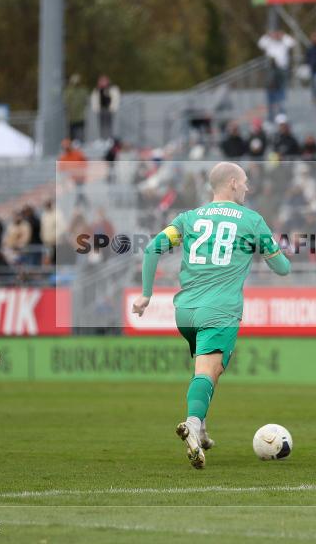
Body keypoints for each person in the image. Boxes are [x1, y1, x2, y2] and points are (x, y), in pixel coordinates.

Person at [132, 162, 291, 469]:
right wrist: (273, 250)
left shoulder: (189, 218)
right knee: (207, 371)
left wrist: (146, 294)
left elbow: (152, 249)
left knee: (210, 370)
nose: (247, 187)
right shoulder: (252, 220)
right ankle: (192, 425)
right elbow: (282, 268)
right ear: (232, 183)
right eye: (244, 182)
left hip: (185, 313)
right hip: (219, 311)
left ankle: (201, 428)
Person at [258, 30, 296, 121]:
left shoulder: (283, 42)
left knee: (282, 91)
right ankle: (271, 115)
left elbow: (292, 43)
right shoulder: (269, 42)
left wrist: (283, 35)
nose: (276, 36)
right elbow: (260, 44)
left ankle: (282, 114)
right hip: (271, 69)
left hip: (282, 69)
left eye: (277, 35)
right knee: (270, 92)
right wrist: (268, 35)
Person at [90, 75, 121, 140]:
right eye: (100, 81)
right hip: (101, 110)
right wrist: (95, 109)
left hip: (110, 110)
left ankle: (109, 139)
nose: (101, 82)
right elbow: (94, 99)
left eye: (103, 81)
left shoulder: (112, 89)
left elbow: (115, 99)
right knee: (101, 126)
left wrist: (112, 108)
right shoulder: (97, 90)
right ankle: (102, 139)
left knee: (109, 126)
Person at [63, 73, 89, 142]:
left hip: (80, 117)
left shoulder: (82, 91)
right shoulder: (69, 91)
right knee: (72, 136)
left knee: (80, 136)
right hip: (71, 117)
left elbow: (86, 101)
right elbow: (65, 101)